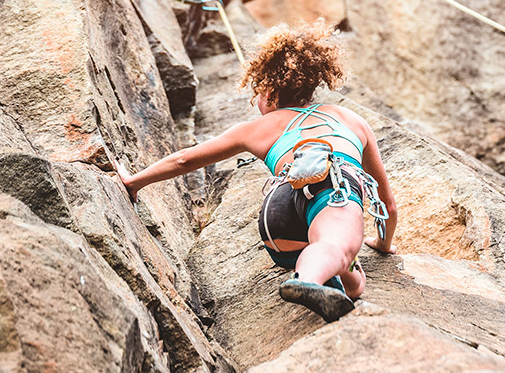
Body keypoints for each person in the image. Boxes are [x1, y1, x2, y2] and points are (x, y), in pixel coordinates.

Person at [113, 21, 398, 322]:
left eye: (258, 91)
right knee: (335, 247)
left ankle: (324, 269)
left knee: (355, 285)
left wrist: (135, 182)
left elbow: (185, 160)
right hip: (331, 194)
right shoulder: (350, 119)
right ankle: (308, 279)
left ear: (271, 91)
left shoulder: (253, 130)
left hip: (279, 224)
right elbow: (388, 205)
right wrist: (383, 243)